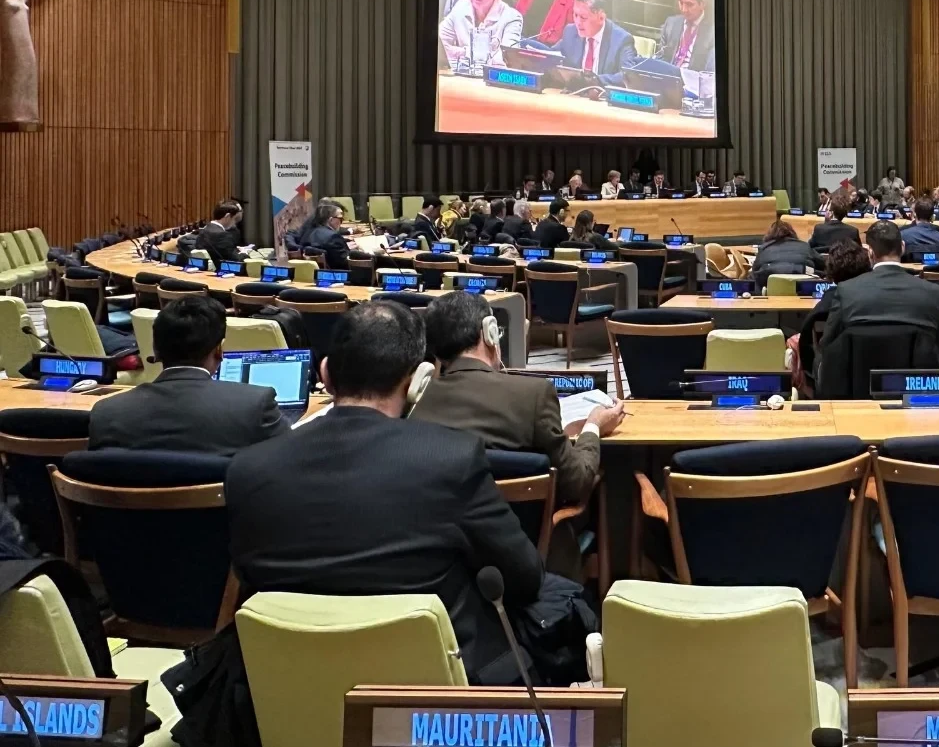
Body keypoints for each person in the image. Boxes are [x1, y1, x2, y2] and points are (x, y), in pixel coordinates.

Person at [227, 302, 564, 685]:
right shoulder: (450, 459)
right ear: (418, 380)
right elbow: (524, 577)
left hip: (279, 686)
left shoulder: (246, 469)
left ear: (325, 374)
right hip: (424, 692)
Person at [413, 291, 624, 504]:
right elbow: (576, 483)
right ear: (490, 333)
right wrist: (593, 425)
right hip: (528, 525)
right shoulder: (535, 395)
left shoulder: (417, 403)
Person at [89, 296, 286, 454]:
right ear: (219, 350)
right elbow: (287, 462)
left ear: (155, 351)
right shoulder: (255, 405)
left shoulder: (106, 413)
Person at [821, 222, 939, 348]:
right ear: (902, 247)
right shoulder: (932, 292)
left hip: (861, 360)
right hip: (916, 361)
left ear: (870, 253)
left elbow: (827, 345)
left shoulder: (846, 291)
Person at [792, 241, 873, 391]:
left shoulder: (824, 307)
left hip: (834, 378)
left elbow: (807, 346)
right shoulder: (876, 300)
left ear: (831, 273)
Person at [438, 0, 523, 71]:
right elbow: (440, 42)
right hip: (461, 76)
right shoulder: (460, 8)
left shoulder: (512, 17)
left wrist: (463, 52)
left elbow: (507, 60)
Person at [554, 0, 641, 87]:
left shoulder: (622, 40)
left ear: (601, 18)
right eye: (575, 15)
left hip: (602, 94)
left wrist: (594, 81)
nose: (578, 22)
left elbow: (628, 76)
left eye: (583, 17)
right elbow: (551, 55)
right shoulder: (570, 32)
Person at [658, 0, 714, 72]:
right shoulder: (670, 24)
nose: (684, 9)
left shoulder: (712, 33)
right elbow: (660, 59)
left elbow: (710, 72)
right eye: (681, 2)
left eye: (689, 4)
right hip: (668, 76)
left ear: (703, 4)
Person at [752, 219, 813, 286]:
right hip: (803, 286)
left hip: (771, 286)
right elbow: (819, 263)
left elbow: (755, 270)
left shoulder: (764, 248)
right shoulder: (805, 246)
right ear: (792, 233)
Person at [303, 202, 350, 270]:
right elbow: (346, 262)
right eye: (340, 219)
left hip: (313, 273)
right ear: (331, 220)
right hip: (337, 274)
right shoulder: (333, 237)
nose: (341, 222)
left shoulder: (311, 233)